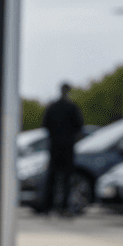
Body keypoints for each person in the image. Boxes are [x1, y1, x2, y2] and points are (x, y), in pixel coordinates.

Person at [41, 82, 85, 215]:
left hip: (54, 146)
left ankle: (47, 207)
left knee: (52, 178)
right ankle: (64, 207)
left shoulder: (52, 107)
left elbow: (45, 125)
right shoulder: (72, 108)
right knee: (66, 178)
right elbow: (79, 126)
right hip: (67, 147)